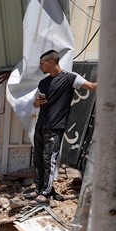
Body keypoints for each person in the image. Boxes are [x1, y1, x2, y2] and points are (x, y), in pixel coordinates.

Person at [33, 49, 97, 202]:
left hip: (55, 126)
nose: (40, 67)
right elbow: (35, 103)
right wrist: (37, 103)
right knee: (38, 160)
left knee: (49, 160)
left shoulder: (70, 78)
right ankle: (40, 188)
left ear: (51, 62)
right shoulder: (43, 82)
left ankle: (46, 193)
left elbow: (92, 86)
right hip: (40, 125)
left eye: (42, 64)